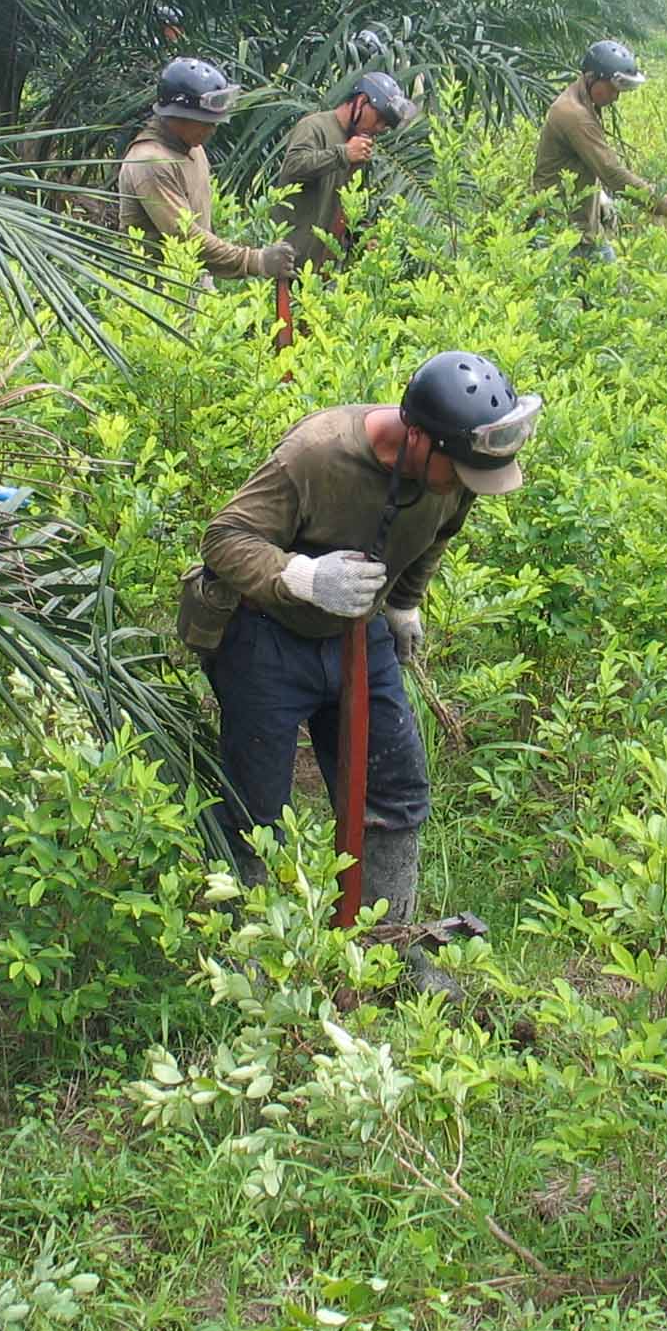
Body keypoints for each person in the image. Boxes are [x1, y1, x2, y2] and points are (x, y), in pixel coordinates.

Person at [178, 351, 542, 992]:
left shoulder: (456, 470)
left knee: (395, 788)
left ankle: (384, 951)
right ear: (419, 438)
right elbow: (225, 539)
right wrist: (303, 575)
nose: (464, 485)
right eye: (458, 471)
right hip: (265, 635)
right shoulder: (315, 455)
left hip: (359, 630)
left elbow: (436, 534)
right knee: (256, 810)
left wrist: (403, 606)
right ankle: (250, 968)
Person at [120, 56, 297, 282]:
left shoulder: (193, 149)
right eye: (206, 122)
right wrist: (254, 260)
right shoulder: (151, 162)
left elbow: (203, 227)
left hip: (192, 281)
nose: (213, 129)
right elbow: (184, 235)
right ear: (178, 116)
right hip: (156, 290)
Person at [532, 39, 667, 257]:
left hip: (581, 228)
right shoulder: (575, 115)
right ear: (593, 78)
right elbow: (610, 171)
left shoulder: (580, 103)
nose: (615, 96)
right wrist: (657, 202)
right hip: (560, 232)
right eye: (612, 88)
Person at [275, 71, 420, 270]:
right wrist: (343, 154)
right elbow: (293, 166)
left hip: (323, 273)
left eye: (385, 125)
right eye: (379, 118)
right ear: (361, 101)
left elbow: (351, 206)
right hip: (286, 265)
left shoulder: (359, 148)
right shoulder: (314, 127)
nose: (379, 128)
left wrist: (366, 236)